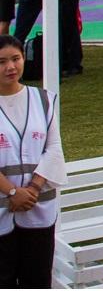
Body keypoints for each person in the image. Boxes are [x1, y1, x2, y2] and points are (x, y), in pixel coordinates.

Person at [0, 33, 64, 288]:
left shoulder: (43, 99)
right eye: (2, 61)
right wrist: (12, 192)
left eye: (15, 59)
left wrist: (33, 189)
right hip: (4, 206)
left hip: (38, 206)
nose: (10, 67)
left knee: (37, 279)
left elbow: (54, 148)